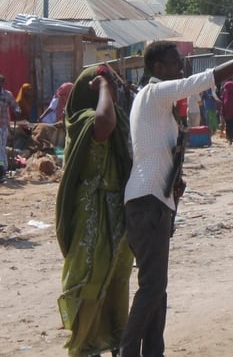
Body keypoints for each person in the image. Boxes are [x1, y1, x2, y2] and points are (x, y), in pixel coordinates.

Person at [121, 37, 233, 357]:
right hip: (147, 202)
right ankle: (128, 351)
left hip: (154, 202)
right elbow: (210, 77)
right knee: (152, 289)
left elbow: (159, 153)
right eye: (175, 62)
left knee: (157, 290)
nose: (181, 66)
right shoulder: (156, 92)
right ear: (158, 67)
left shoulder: (155, 102)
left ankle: (152, 352)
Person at [56, 65, 134, 357]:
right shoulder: (84, 120)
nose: (114, 89)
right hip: (91, 213)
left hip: (116, 215)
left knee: (116, 280)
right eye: (107, 84)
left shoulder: (118, 118)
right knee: (89, 277)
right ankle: (84, 344)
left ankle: (115, 339)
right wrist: (103, 88)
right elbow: (104, 124)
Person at [0, 74, 22, 181]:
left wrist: (17, 111)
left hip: (2, 125)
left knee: (1, 147)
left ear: (2, 83)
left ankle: (3, 170)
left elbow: (15, 106)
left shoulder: (7, 95)